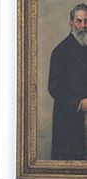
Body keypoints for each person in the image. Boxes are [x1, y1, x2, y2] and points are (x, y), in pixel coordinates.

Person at [49, 3, 87, 160]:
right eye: (79, 21)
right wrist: (79, 103)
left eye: (86, 21)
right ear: (71, 23)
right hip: (69, 121)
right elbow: (54, 87)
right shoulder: (60, 51)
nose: (83, 26)